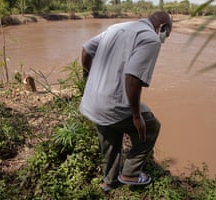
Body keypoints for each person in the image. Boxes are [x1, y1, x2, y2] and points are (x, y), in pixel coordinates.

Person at [79, 11, 172, 191]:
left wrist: (90, 78)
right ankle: (131, 173)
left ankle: (109, 182)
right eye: (167, 35)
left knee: (109, 139)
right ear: (162, 28)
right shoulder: (151, 39)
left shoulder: (117, 28)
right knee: (151, 127)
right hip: (111, 105)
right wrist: (137, 117)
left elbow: (86, 49)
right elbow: (133, 78)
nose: (164, 39)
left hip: (92, 101)